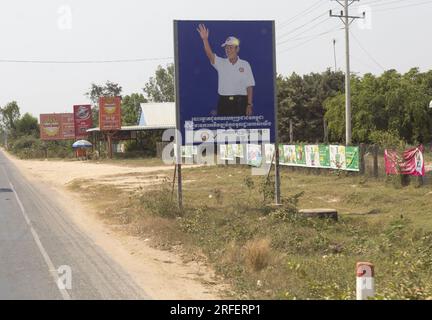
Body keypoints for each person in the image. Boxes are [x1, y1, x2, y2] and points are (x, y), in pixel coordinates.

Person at [197, 24, 255, 116]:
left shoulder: (245, 64)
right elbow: (209, 54)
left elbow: (249, 86)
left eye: (231, 47)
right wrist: (205, 39)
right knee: (223, 130)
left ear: (237, 49)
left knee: (241, 129)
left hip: (241, 102)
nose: (228, 50)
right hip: (224, 102)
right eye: (226, 48)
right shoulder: (221, 63)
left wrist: (249, 105)